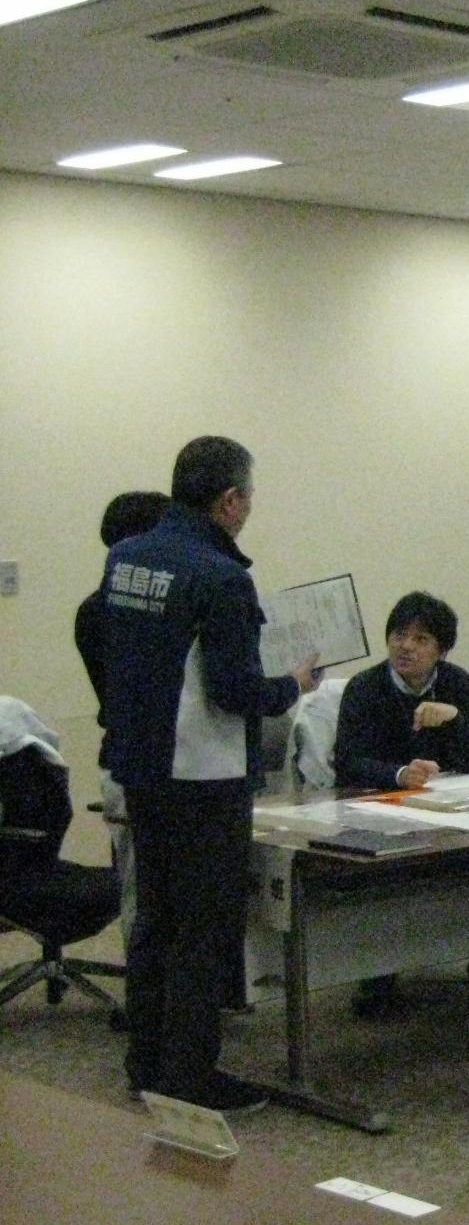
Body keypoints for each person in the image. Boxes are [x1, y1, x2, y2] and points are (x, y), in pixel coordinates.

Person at [103, 437, 317, 1112]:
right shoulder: (222, 576)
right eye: (248, 498)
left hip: (141, 765)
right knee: (202, 930)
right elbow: (233, 690)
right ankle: (191, 1077)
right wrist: (293, 684)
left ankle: (147, 1062)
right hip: (203, 775)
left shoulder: (126, 557)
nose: (249, 510)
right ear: (229, 501)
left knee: (155, 919)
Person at [334, 590, 469, 1018]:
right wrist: (398, 774)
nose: (406, 647)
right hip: (380, 805)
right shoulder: (365, 687)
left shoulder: (455, 683)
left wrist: (455, 718)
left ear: (441, 650)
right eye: (399, 636)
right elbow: (347, 760)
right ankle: (377, 974)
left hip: (446, 805)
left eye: (420, 639)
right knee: (390, 875)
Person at [73, 490, 171, 948]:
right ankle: (144, 984)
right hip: (134, 763)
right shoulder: (106, 612)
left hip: (141, 761)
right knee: (140, 893)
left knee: (152, 892)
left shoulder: (99, 608)